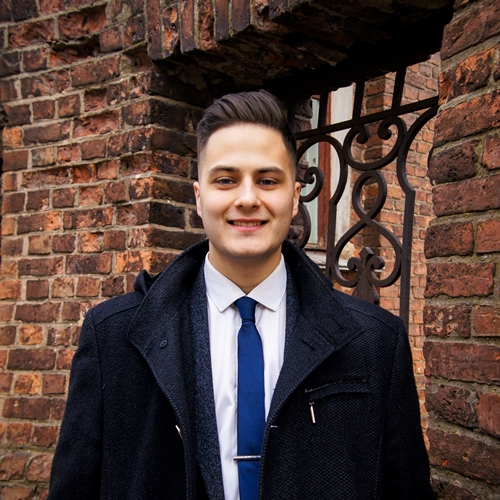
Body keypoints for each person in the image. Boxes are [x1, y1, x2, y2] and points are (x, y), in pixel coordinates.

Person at [48, 90, 436, 499]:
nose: (247, 199)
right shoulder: (112, 338)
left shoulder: (376, 342)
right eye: (226, 180)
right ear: (199, 197)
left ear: (294, 196)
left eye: (267, 181)